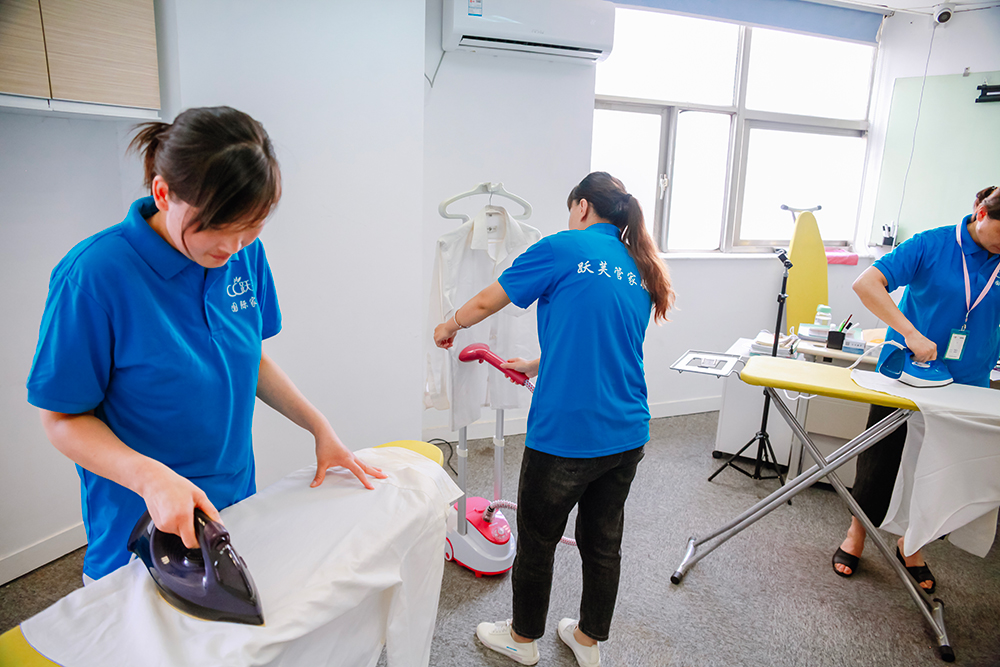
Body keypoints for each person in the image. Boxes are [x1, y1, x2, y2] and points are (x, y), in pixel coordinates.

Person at [27, 106, 385, 583]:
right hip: (140, 519)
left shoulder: (242, 255)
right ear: (163, 194)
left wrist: (318, 426)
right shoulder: (94, 276)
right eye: (218, 227)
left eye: (252, 226)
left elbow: (246, 357)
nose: (233, 247)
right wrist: (152, 478)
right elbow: (62, 419)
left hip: (234, 501)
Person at [433, 172, 675, 666]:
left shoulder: (562, 247)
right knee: (603, 542)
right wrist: (537, 364)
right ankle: (588, 640)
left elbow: (488, 300)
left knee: (539, 541)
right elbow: (602, 341)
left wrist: (448, 324)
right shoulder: (639, 264)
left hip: (567, 434)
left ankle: (522, 640)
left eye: (571, 209)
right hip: (628, 431)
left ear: (582, 206)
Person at [832, 185, 1000, 592]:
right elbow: (867, 284)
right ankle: (857, 532)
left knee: (943, 470)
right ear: (981, 213)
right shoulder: (932, 244)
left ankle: (913, 544)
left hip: (969, 383)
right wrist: (909, 333)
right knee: (882, 459)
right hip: (909, 372)